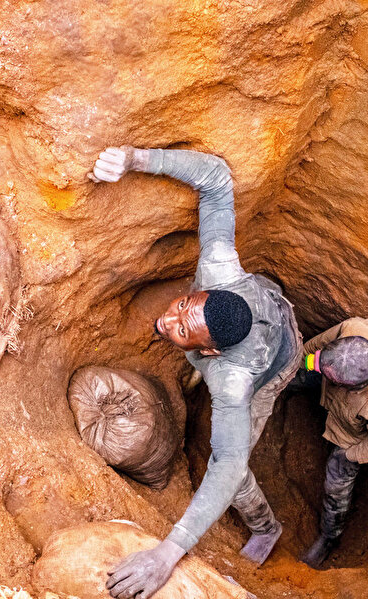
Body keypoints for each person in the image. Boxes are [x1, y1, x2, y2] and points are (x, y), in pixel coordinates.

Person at [88, 146, 302, 599]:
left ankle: (267, 528)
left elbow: (228, 465)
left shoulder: (233, 381)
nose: (169, 319)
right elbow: (217, 177)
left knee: (237, 463)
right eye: (184, 305)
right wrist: (134, 159)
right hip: (267, 301)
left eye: (182, 328)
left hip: (277, 364)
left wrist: (167, 553)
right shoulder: (219, 270)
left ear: (209, 350)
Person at [297, 318, 368, 568]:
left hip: (352, 438)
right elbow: (315, 349)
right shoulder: (355, 329)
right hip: (332, 381)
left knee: (336, 479)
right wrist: (303, 362)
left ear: (354, 387)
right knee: (304, 371)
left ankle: (329, 536)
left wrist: (347, 456)